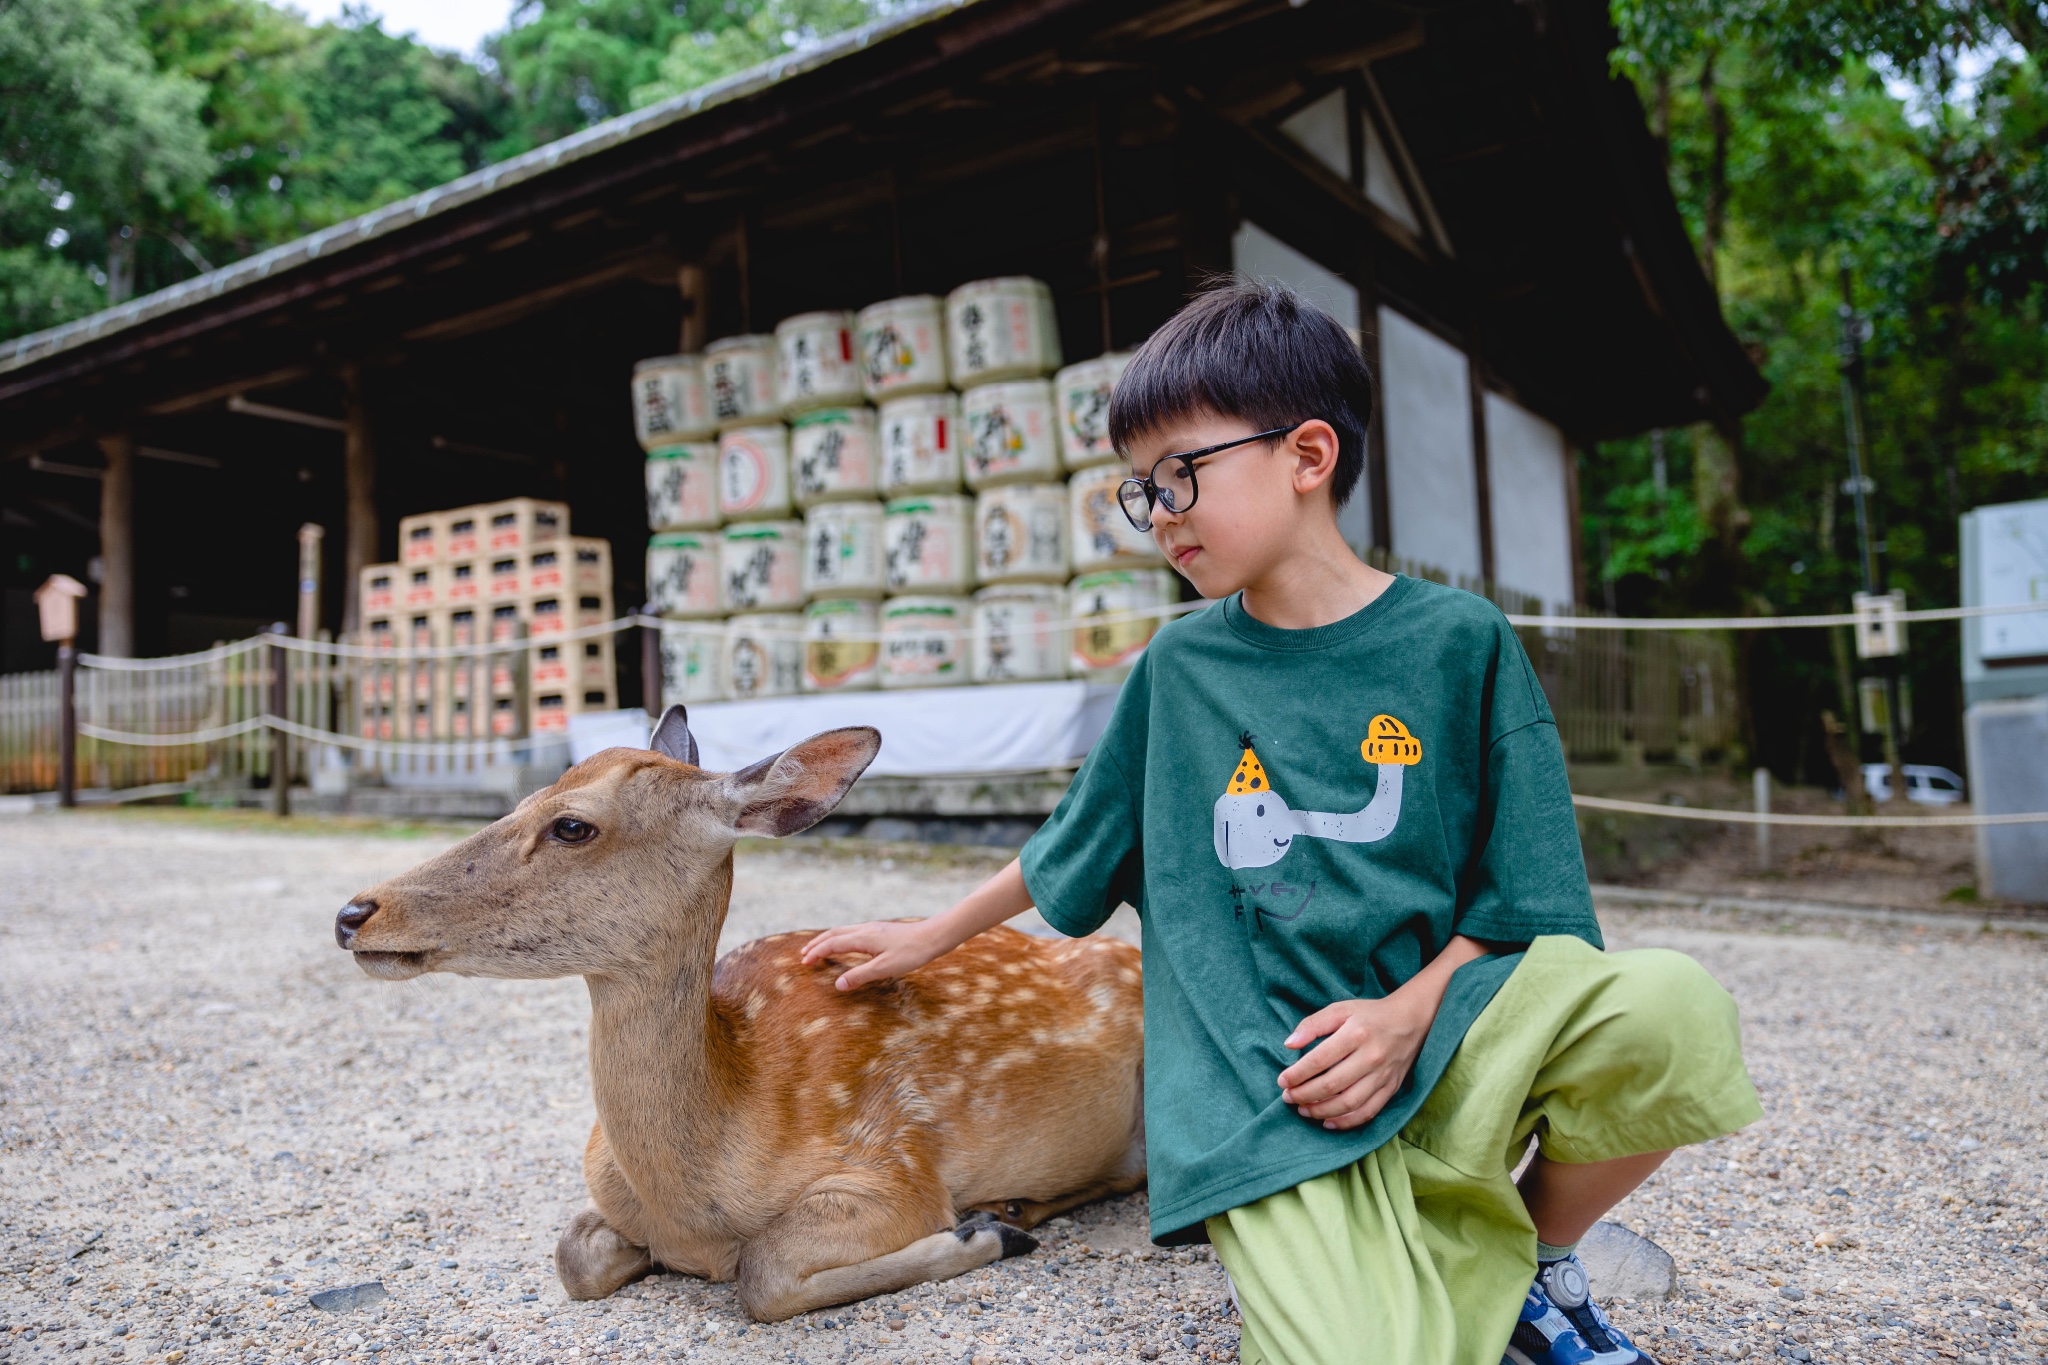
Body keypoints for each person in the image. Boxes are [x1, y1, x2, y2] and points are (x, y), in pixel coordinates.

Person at [802, 281, 1761, 1365]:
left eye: (1180, 476)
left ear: (1306, 456)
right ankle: (1443, 1266)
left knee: (1669, 1010)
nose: (1157, 513)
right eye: (1137, 490)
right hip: (1274, 1096)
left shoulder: (1461, 644)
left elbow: (1527, 906)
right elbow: (1074, 844)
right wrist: (926, 938)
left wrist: (1402, 1017)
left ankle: (1535, 1262)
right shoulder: (1177, 670)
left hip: (1443, 1043)